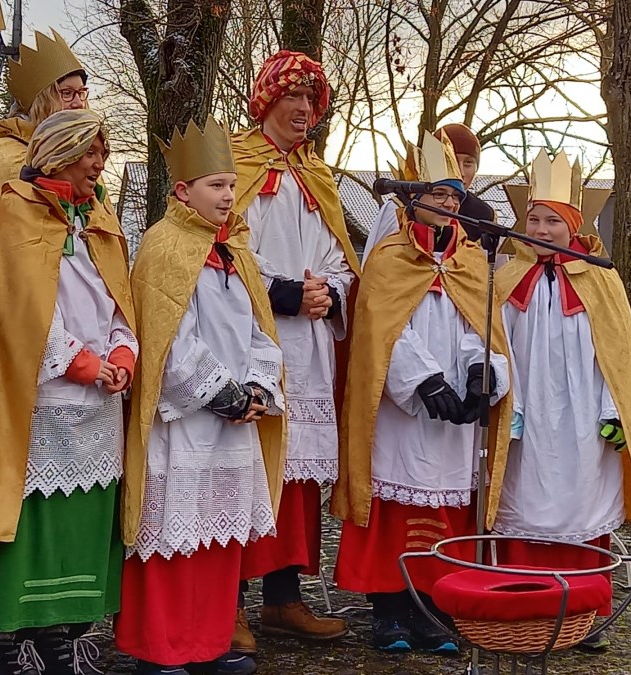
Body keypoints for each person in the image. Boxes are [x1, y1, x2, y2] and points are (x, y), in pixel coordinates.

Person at [0, 109, 136, 675]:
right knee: (35, 519)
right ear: (59, 151)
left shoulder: (99, 220)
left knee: (83, 523)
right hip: (45, 400)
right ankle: (17, 638)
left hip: (100, 406)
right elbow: (20, 310)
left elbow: (119, 300)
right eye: (91, 151)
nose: (99, 164)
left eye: (103, 153)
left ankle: (68, 632)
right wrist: (81, 363)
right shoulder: (17, 212)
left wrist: (122, 352)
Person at [114, 116, 286, 675]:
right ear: (182, 190)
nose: (229, 196)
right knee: (171, 541)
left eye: (233, 185)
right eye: (216, 185)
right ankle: (161, 650)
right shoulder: (163, 247)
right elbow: (168, 341)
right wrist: (222, 393)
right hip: (183, 424)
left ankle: (208, 643)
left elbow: (262, 332)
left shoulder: (236, 252)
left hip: (231, 426)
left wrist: (259, 385)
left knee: (216, 541)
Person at [332, 131, 512, 654]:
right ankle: (388, 612)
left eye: (454, 196)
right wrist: (422, 378)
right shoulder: (388, 256)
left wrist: (481, 373)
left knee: (447, 507)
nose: (448, 204)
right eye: (436, 194)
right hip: (402, 412)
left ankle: (432, 608)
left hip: (453, 416)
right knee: (394, 506)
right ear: (411, 199)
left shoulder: (473, 260)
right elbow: (380, 329)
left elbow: (480, 326)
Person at [493, 149, 631, 650]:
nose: (540, 230)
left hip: (585, 417)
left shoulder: (602, 279)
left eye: (552, 222)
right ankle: (525, 604)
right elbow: (498, 345)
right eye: (533, 219)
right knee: (523, 502)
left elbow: (619, 358)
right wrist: (510, 406)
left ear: (573, 225)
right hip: (529, 418)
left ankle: (582, 613)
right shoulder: (505, 277)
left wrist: (613, 411)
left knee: (582, 504)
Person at [230, 49, 359, 651]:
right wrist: (279, 291)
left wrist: (328, 292)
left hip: (307, 347)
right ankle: (228, 601)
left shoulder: (319, 176)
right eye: (292, 98)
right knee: (246, 468)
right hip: (251, 337)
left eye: (311, 100)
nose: (304, 109)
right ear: (267, 102)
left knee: (295, 478)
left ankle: (283, 599)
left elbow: (339, 255)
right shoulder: (233, 163)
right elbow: (221, 245)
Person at [0, 29, 91, 227]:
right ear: (40, 101)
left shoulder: (84, 163)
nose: (78, 104)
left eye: (81, 93)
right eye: (66, 93)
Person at [363, 122, 496, 258]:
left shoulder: (483, 214)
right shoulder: (399, 208)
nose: (461, 172)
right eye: (452, 161)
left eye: (468, 163)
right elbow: (373, 265)